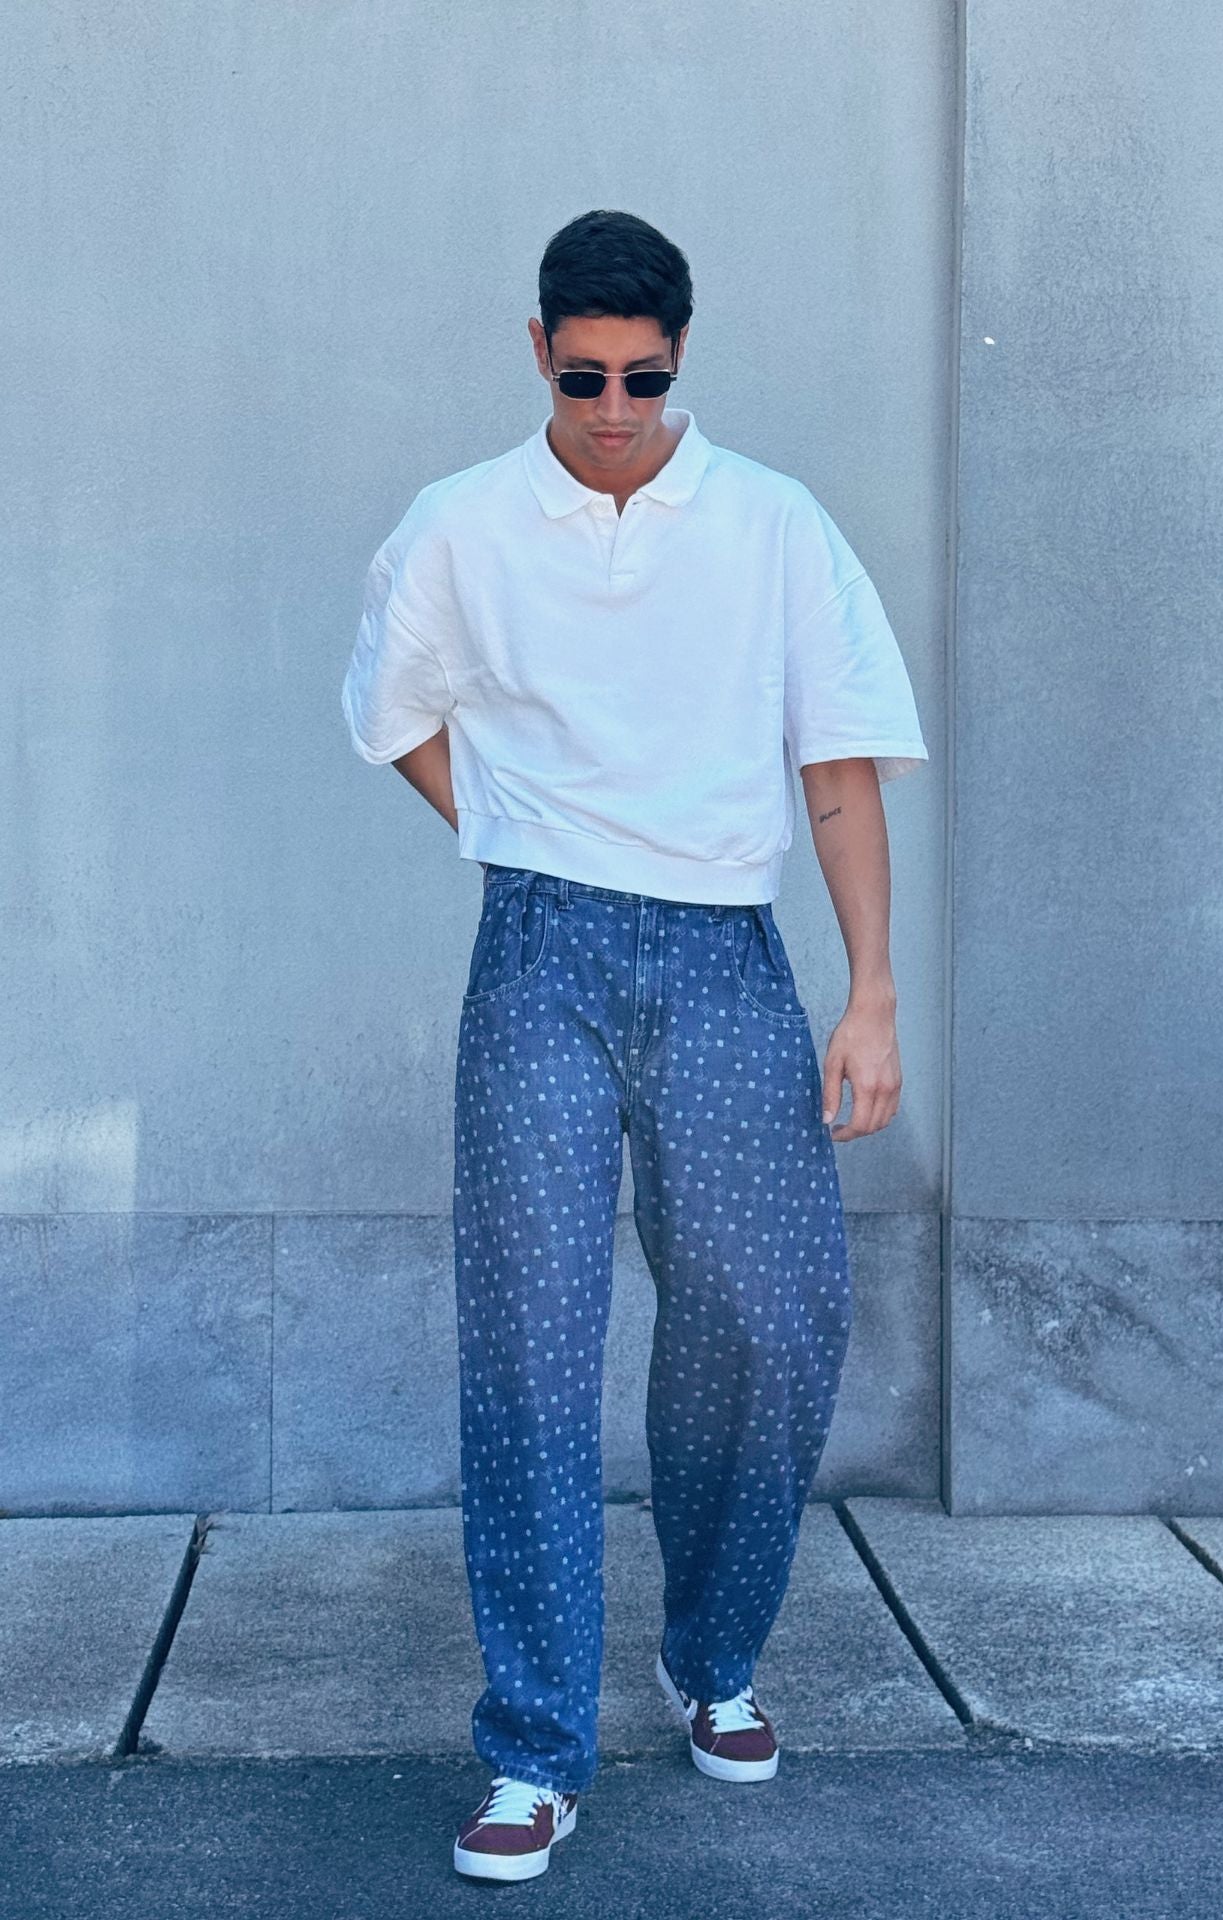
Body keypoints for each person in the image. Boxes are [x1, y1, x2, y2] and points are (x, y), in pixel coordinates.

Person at [341, 208, 928, 1884]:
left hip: (725, 953)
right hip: (540, 952)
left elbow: (838, 767)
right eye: (585, 375)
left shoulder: (771, 524)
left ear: (681, 361)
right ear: (539, 351)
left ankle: (711, 1654)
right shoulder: (461, 526)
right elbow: (394, 713)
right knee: (529, 1344)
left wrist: (871, 992)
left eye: (645, 378)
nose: (614, 408)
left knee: (765, 1317)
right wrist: (507, 830)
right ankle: (533, 1748)